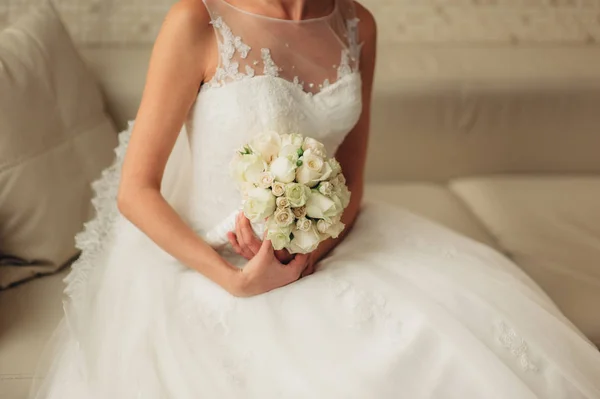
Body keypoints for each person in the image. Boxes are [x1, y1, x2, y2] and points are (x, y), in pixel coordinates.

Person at [31, 0, 600, 397]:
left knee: (458, 340)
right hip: (208, 264)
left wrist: (312, 247)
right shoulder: (196, 21)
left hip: (322, 248)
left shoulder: (358, 23)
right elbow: (136, 192)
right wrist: (236, 280)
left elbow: (351, 171)